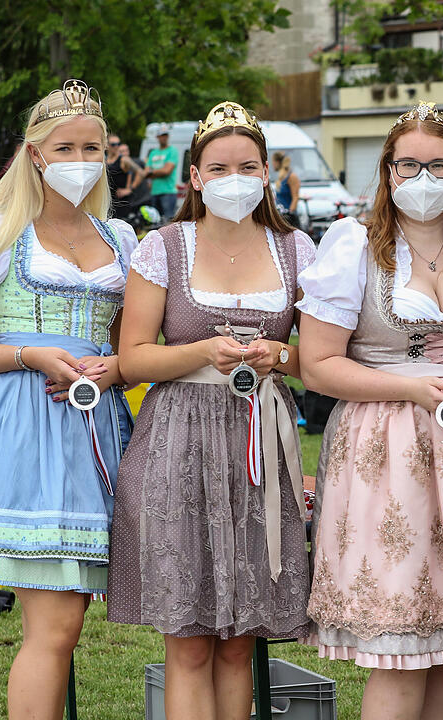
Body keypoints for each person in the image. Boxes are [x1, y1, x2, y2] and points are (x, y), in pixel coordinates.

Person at [298, 100, 443, 720]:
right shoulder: (354, 246)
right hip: (386, 447)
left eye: (438, 165)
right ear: (387, 171)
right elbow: (317, 363)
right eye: (409, 165)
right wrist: (412, 390)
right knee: (400, 652)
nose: (424, 178)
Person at [107, 101, 314, 720]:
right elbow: (135, 358)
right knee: (191, 644)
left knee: (238, 645)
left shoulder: (296, 248)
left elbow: (325, 359)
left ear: (267, 173)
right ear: (194, 176)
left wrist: (280, 353)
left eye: (247, 167)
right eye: (219, 168)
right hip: (179, 440)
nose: (235, 179)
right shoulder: (162, 247)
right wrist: (200, 350)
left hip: (260, 444)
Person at [0, 79, 136, 720]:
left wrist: (113, 368)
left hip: (99, 428)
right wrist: (26, 354)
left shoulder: (121, 239)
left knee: (69, 626)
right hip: (29, 425)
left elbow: (127, 347)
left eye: (94, 147)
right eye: (66, 147)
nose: (82, 159)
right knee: (52, 631)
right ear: (35, 153)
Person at [145, 123, 180, 221]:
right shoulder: (153, 152)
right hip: (154, 192)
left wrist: (152, 172)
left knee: (167, 221)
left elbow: (167, 171)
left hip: (168, 192)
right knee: (154, 222)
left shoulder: (172, 150)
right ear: (157, 137)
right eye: (161, 135)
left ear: (168, 136)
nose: (163, 138)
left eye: (165, 135)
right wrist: (154, 172)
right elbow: (146, 171)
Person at [106, 133, 145, 219]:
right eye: (113, 144)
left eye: (118, 144)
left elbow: (141, 173)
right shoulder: (104, 159)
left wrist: (130, 189)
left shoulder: (123, 159)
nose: (116, 146)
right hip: (107, 201)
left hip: (121, 202)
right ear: (107, 145)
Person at [272, 150, 301, 229]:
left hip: (289, 218)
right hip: (280, 216)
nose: (272, 165)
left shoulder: (291, 177)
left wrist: (290, 214)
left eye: (273, 162)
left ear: (278, 162)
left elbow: (295, 197)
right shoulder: (281, 177)